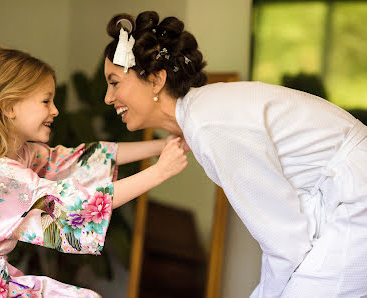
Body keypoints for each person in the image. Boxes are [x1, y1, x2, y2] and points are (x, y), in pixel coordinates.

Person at [0, 3, 187, 298]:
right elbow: (75, 208)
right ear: (9, 107)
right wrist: (160, 172)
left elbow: (81, 159)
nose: (56, 110)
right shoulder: (1, 173)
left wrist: (162, 145)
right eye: (46, 101)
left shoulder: (21, 154)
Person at [102, 11, 367, 298]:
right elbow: (284, 235)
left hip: (355, 192)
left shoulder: (208, 124)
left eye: (114, 82)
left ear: (156, 80)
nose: (107, 97)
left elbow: (285, 240)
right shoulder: (202, 115)